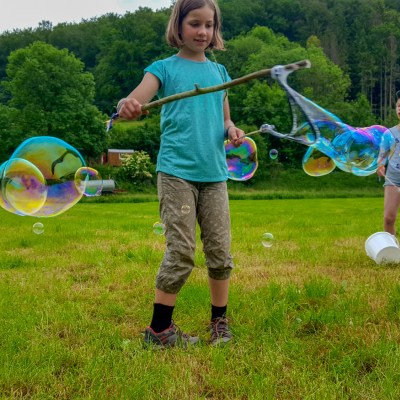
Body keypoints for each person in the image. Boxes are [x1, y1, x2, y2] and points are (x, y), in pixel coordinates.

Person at [117, 0, 244, 347]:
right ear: (179, 26)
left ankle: (219, 322)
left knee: (220, 251)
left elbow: (225, 118)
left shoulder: (219, 73)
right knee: (182, 250)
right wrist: (127, 106)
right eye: (195, 24)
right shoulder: (163, 69)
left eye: (209, 25)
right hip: (177, 173)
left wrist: (232, 130)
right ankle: (159, 330)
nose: (202, 32)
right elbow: (133, 101)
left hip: (214, 174)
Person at [377, 91, 400, 235]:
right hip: (393, 179)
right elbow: (382, 155)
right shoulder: (389, 134)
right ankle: (392, 247)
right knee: (389, 219)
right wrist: (380, 166)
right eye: (398, 106)